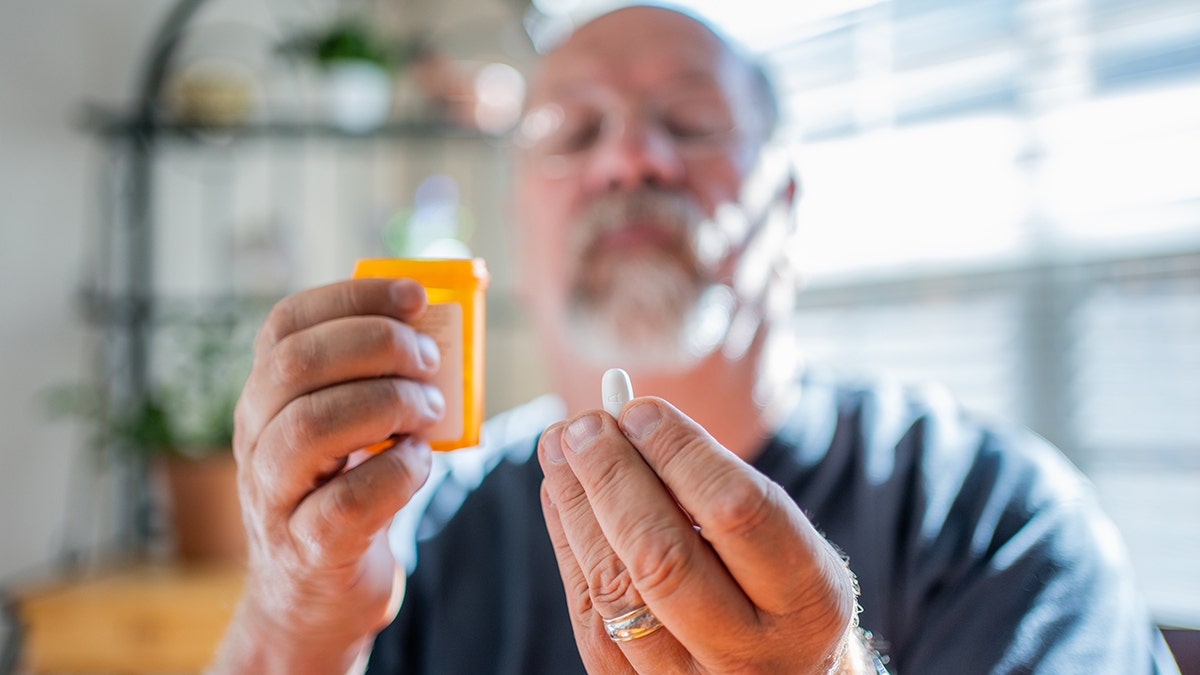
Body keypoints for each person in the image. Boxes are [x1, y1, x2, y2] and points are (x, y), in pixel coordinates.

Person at [211, 4, 1180, 674]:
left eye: (691, 122)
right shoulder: (417, 527)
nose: (633, 158)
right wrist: (293, 617)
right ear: (519, 221)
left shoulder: (997, 520)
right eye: (575, 132)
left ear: (785, 201)